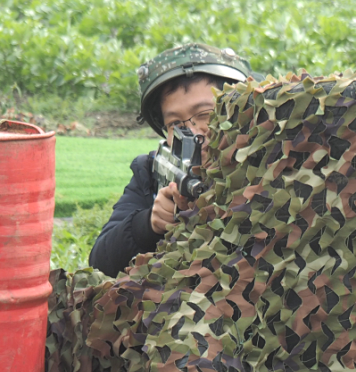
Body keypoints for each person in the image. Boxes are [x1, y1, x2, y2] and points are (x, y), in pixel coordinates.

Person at [88, 43, 252, 276]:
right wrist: (147, 225)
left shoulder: (261, 163)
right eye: (176, 124)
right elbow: (99, 262)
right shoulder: (151, 171)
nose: (194, 133)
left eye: (205, 115)